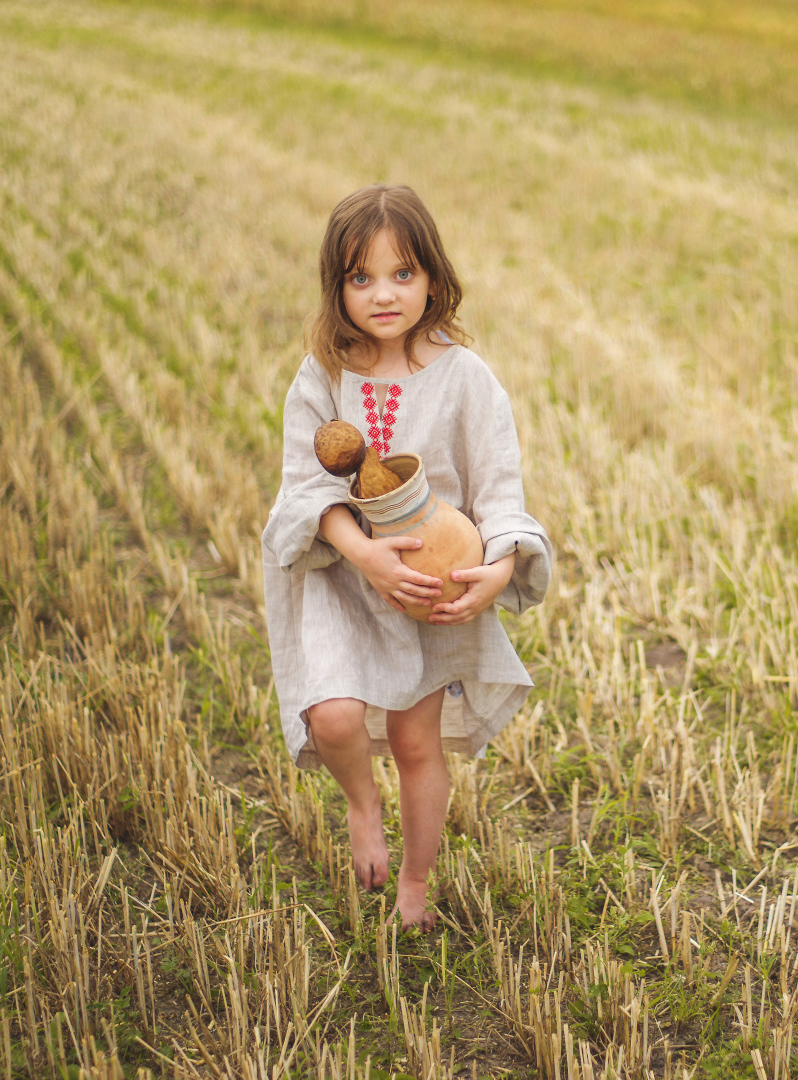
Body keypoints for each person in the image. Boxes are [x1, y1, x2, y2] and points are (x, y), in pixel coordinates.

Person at [261, 184, 552, 930]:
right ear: (337, 287)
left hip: (424, 586)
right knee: (331, 718)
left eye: (402, 274)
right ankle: (362, 802)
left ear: (433, 278)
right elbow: (301, 494)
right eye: (361, 278)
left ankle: (415, 886)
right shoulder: (322, 376)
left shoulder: (467, 378)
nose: (383, 294)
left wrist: (496, 570)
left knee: (419, 742)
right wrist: (364, 554)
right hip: (344, 575)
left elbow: (501, 495)